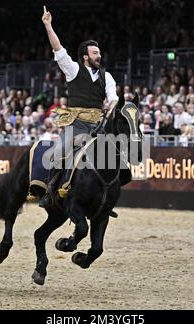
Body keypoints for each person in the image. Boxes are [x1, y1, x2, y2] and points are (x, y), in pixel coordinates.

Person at [39, 6, 119, 210]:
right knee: (58, 152)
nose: (98, 55)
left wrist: (112, 105)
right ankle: (50, 190)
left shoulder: (106, 76)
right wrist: (48, 26)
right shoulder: (73, 69)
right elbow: (59, 50)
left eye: (99, 52)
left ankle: (109, 196)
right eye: (94, 53)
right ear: (85, 57)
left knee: (117, 153)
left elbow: (113, 97)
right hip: (75, 124)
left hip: (98, 126)